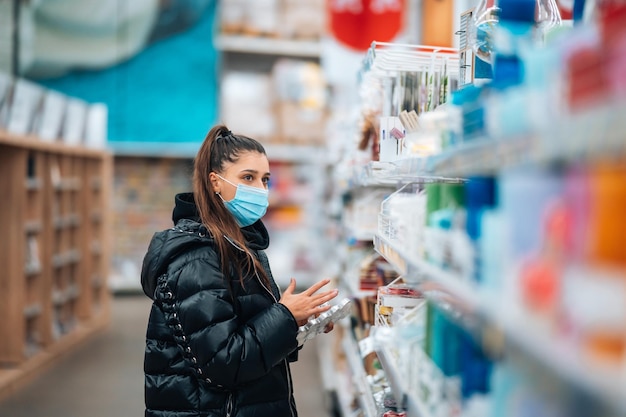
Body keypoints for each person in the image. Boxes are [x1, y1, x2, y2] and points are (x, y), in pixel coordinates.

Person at [140, 124, 338, 417]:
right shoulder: (198, 258)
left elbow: (245, 332)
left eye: (265, 180)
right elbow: (224, 362)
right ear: (215, 182)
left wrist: (296, 321)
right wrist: (284, 315)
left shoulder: (239, 244)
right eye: (248, 177)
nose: (260, 189)